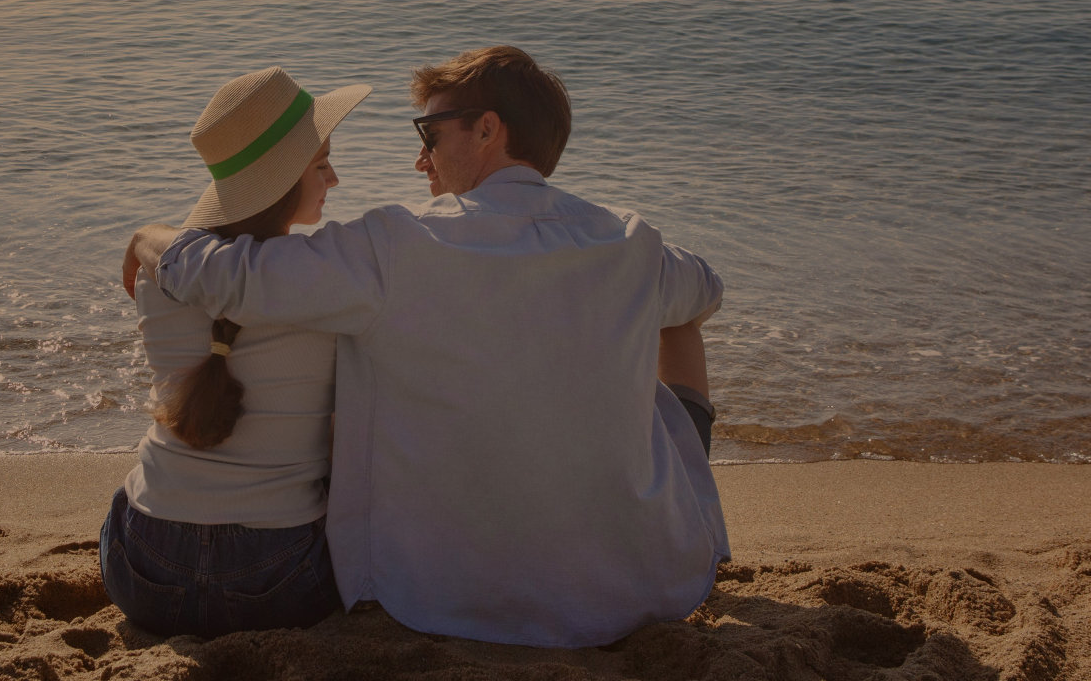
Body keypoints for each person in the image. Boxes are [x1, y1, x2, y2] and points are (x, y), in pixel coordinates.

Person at [125, 45, 727, 649]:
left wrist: (150, 240)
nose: (420, 159)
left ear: (487, 129)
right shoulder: (629, 240)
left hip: (449, 592)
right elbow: (705, 290)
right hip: (634, 582)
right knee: (677, 322)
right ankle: (685, 510)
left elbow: (227, 278)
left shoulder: (399, 246)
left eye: (430, 134)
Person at [99, 65, 370, 638]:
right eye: (322, 165)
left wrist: (146, 232)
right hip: (278, 578)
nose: (336, 179)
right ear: (282, 182)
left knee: (134, 485)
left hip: (144, 569)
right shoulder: (326, 283)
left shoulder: (155, 274)